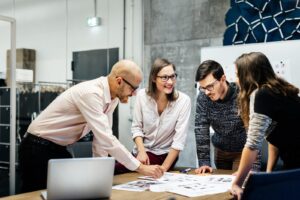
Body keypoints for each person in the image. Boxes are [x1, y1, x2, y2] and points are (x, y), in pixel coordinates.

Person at [19, 60, 164, 193]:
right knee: (34, 195)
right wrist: (140, 167)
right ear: (119, 81)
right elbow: (107, 138)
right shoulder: (91, 93)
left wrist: (99, 175)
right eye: (133, 88)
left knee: (66, 193)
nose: (134, 94)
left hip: (58, 148)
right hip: (36, 147)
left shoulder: (112, 99)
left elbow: (101, 140)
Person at [231, 52, 300, 199]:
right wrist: (269, 173)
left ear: (248, 76)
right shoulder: (279, 90)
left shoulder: (263, 94)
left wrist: (237, 183)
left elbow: (252, 145)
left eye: (238, 75)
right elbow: (274, 138)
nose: (236, 80)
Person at [115, 58, 191, 174]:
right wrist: (141, 152)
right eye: (165, 77)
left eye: (172, 76)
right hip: (141, 152)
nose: (170, 82)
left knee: (116, 169)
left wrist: (163, 169)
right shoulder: (142, 96)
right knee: (117, 166)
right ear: (154, 78)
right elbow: (136, 128)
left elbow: (178, 141)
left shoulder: (183, 101)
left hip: (164, 155)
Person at [194, 60, 260, 174]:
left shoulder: (242, 95)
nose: (206, 92)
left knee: (241, 186)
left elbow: (253, 131)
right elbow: (201, 129)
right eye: (202, 88)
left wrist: (253, 166)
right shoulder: (203, 98)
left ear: (223, 79)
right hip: (221, 152)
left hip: (243, 151)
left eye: (209, 86)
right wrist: (204, 162)